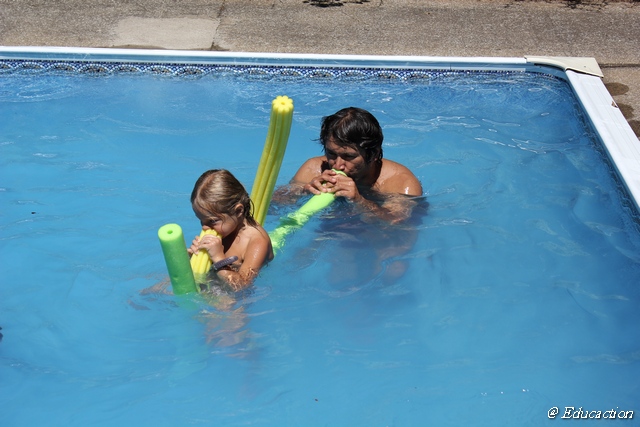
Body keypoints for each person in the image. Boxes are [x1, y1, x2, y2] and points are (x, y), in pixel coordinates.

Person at [283, 107, 423, 223]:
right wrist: (302, 193)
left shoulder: (401, 183)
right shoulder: (314, 169)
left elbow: (397, 227)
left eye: (349, 156)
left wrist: (360, 201)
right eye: (331, 153)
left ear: (374, 154)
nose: (337, 166)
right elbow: (275, 205)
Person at [188, 169, 273, 292]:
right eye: (201, 220)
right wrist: (194, 258)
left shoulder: (257, 242)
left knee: (228, 304)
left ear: (238, 211)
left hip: (239, 294)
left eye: (212, 221)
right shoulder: (223, 229)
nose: (204, 227)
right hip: (218, 282)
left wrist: (218, 258)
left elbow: (242, 287)